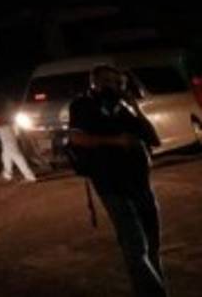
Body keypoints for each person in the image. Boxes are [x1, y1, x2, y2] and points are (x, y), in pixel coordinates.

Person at [68, 65, 167, 297]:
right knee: (136, 248)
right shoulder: (83, 106)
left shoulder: (124, 109)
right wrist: (115, 141)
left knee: (152, 248)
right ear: (94, 83)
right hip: (112, 186)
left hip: (141, 185)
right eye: (107, 81)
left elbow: (154, 139)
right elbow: (77, 138)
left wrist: (135, 108)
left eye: (118, 82)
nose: (113, 86)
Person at [0, 90, 36, 183]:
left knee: (14, 153)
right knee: (6, 153)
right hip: (8, 128)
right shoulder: (3, 101)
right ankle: (7, 174)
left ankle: (30, 176)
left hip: (5, 129)